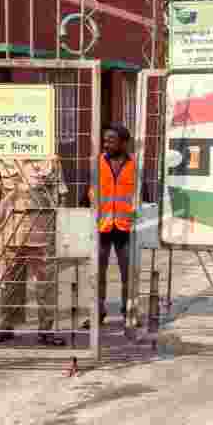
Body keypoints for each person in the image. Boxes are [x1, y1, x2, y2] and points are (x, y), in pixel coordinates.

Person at [0, 156, 68, 345]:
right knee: (8, 279)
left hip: (42, 230)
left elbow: (61, 196)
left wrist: (63, 228)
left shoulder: (51, 159)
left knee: (46, 282)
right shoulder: (3, 159)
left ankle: (46, 330)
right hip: (10, 230)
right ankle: (6, 326)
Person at [82, 123, 138, 330]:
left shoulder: (135, 165)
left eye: (111, 140)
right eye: (104, 140)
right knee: (98, 273)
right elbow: (87, 193)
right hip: (102, 226)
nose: (106, 144)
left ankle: (128, 313)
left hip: (125, 228)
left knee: (128, 274)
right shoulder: (97, 162)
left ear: (124, 142)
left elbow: (144, 196)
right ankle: (97, 313)